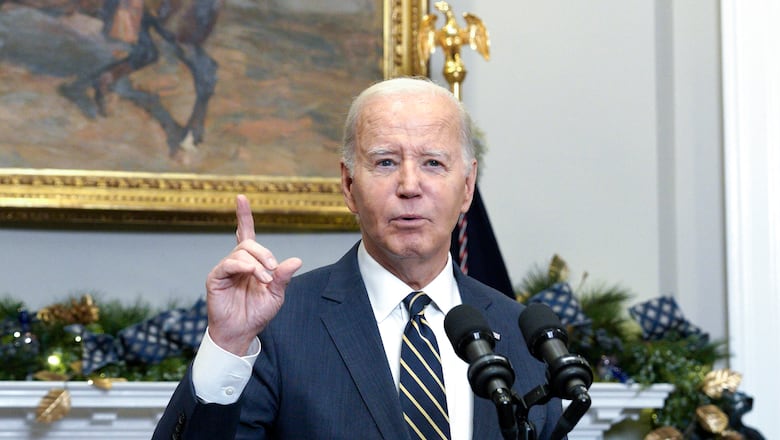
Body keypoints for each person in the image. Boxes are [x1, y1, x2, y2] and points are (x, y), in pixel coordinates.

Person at [152, 77, 563, 439]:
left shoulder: (521, 336)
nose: (409, 185)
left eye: (433, 163)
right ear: (348, 184)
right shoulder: (278, 324)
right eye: (385, 162)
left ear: (468, 186)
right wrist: (227, 346)